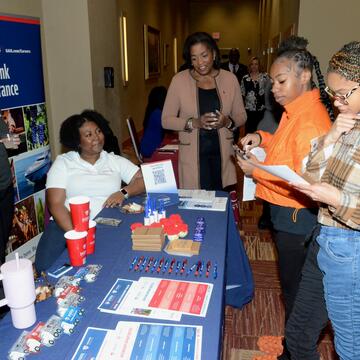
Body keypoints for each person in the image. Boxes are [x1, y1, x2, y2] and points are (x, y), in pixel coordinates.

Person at [236, 36, 332, 353]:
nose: (273, 88)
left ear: (303, 76)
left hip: (296, 216)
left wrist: (255, 171)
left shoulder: (309, 120)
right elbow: (282, 149)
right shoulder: (295, 111)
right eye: (273, 82)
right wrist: (260, 137)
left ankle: (295, 349)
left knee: (296, 290)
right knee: (293, 286)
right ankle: (294, 345)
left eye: (280, 80)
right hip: (286, 212)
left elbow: (302, 179)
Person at [285, 41, 360, 360]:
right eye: (333, 94)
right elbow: (308, 171)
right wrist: (331, 137)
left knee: (350, 344)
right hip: (325, 238)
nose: (337, 101)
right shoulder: (349, 122)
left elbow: (333, 192)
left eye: (343, 94)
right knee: (298, 332)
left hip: (351, 250)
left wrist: (334, 197)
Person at [34, 110, 145, 272]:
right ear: (77, 141)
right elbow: (56, 204)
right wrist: (78, 234)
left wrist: (123, 192)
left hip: (108, 222)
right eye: (88, 135)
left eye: (98, 131)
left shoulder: (113, 160)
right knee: (45, 267)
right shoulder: (64, 163)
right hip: (68, 223)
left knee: (116, 264)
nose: (96, 137)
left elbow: (144, 180)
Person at [162, 32, 246, 191]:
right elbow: (166, 119)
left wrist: (227, 121)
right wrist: (194, 122)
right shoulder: (179, 80)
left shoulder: (230, 79)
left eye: (204, 55)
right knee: (197, 207)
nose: (200, 62)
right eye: (194, 58)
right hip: (193, 157)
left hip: (223, 156)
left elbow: (241, 115)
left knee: (222, 203)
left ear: (214, 54)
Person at [241, 57, 269, 134]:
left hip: (262, 111)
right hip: (249, 111)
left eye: (256, 64)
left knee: (261, 133)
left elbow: (269, 93)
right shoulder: (245, 78)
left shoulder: (265, 77)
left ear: (259, 65)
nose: (254, 66)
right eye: (252, 64)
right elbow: (242, 95)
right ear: (249, 66)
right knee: (249, 132)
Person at [140, 86, 167, 158]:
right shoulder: (157, 113)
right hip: (151, 150)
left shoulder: (152, 110)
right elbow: (170, 128)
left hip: (148, 146)